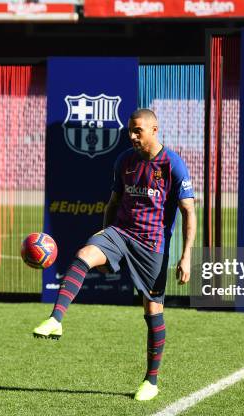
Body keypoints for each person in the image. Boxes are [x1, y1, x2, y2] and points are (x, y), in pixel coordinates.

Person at [33, 108, 196, 401]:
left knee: (152, 312)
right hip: (120, 233)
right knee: (84, 253)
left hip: (152, 246)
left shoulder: (173, 165)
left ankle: (151, 381)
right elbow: (112, 203)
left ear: (154, 130)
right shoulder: (125, 161)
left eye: (138, 131)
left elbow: (189, 212)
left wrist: (186, 256)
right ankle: (56, 319)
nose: (132, 136)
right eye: (130, 131)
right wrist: (105, 239)